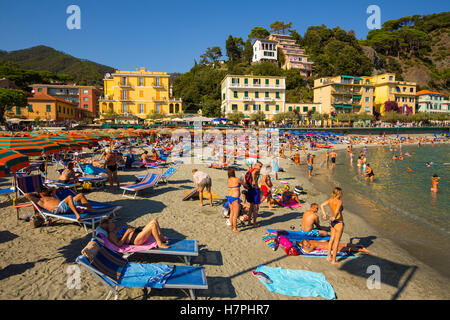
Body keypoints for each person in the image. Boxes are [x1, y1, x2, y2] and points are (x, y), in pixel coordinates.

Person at [25, 187, 96, 223]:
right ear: (40, 192)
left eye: (45, 190)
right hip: (57, 209)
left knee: (80, 195)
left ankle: (90, 209)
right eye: (44, 190)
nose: (46, 191)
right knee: (69, 197)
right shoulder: (40, 200)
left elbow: (54, 188)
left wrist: (48, 190)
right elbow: (27, 195)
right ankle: (77, 215)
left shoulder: (51, 195)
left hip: (64, 206)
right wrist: (36, 194)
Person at [99, 217, 169, 248]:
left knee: (154, 221)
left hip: (137, 234)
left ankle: (161, 237)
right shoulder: (111, 234)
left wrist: (132, 229)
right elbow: (119, 244)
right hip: (135, 240)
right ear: (108, 226)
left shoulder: (116, 228)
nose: (113, 223)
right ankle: (159, 243)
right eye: (111, 223)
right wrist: (127, 233)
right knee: (152, 225)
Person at [320, 187, 344, 265]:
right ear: (339, 193)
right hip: (338, 222)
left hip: (332, 222)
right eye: (341, 193)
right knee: (336, 241)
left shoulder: (330, 200)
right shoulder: (339, 201)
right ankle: (334, 260)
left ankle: (328, 257)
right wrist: (334, 216)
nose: (342, 194)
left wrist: (324, 214)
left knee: (331, 240)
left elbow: (322, 205)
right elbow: (337, 210)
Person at [244, 160, 262, 228]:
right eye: (259, 166)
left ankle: (249, 222)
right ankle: (254, 224)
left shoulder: (250, 170)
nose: (260, 168)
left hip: (250, 189)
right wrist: (254, 181)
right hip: (255, 189)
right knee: (256, 207)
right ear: (255, 165)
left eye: (261, 166)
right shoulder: (256, 170)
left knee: (251, 206)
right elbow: (254, 173)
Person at [298, 239, 370, 254]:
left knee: (346, 248)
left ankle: (362, 250)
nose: (308, 245)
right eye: (307, 244)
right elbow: (303, 243)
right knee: (344, 244)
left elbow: (308, 251)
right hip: (330, 243)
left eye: (307, 243)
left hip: (330, 247)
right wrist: (302, 244)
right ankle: (359, 246)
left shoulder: (312, 245)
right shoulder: (311, 241)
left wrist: (303, 247)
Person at [227, 167, 241, 233]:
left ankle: (231, 226)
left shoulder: (228, 180)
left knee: (231, 213)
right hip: (235, 198)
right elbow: (244, 184)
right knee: (235, 214)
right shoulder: (237, 179)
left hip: (229, 197)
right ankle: (235, 228)